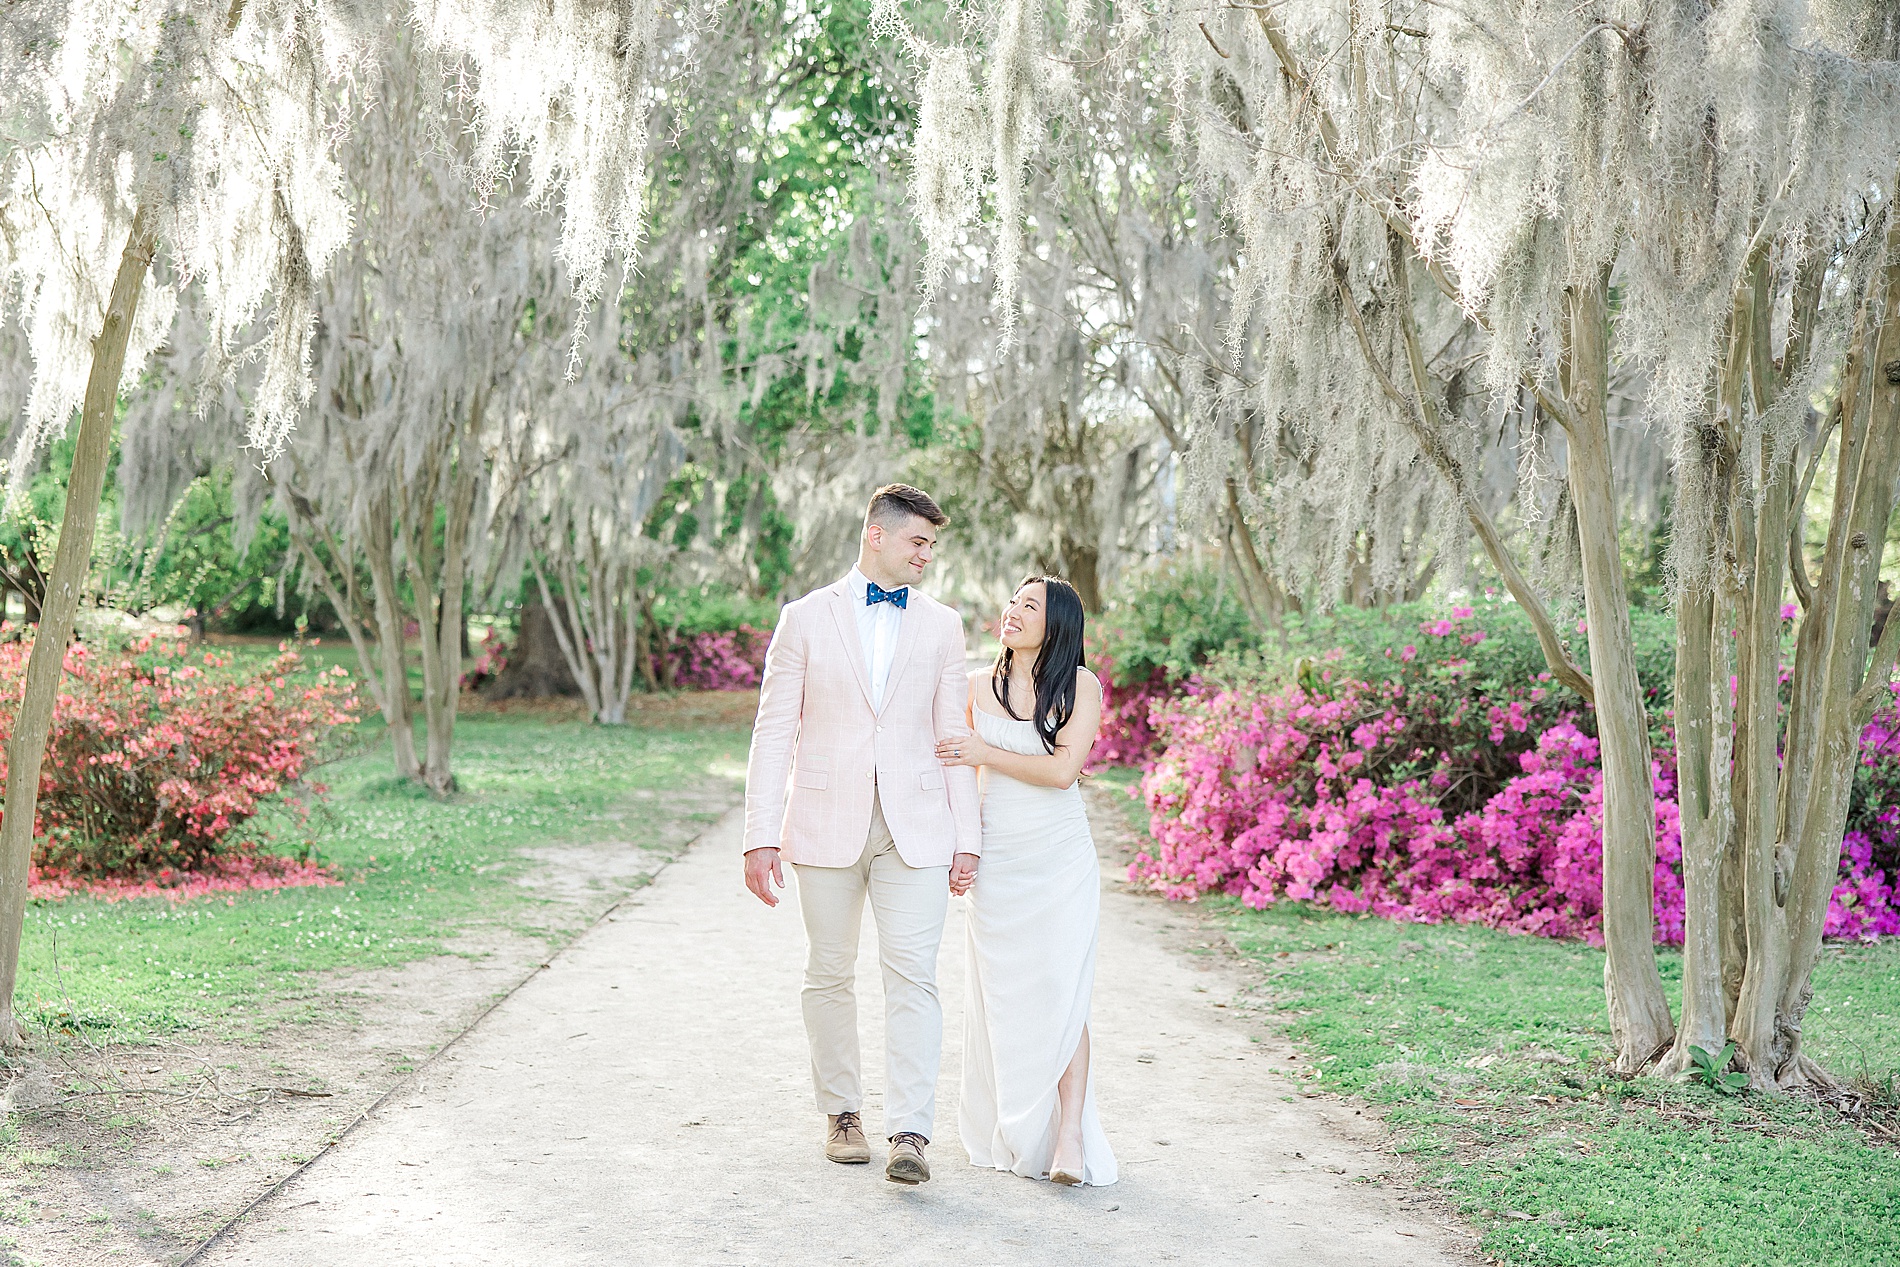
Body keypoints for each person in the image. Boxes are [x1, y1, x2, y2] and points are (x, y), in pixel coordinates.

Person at [742, 483, 982, 1186]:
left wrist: (966, 835)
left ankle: (911, 1129)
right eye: (918, 542)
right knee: (829, 970)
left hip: (917, 826)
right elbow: (773, 730)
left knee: (914, 975)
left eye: (933, 546)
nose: (927, 556)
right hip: (823, 822)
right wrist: (759, 834)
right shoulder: (804, 618)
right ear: (876, 534)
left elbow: (952, 737)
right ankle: (841, 1112)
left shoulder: (943, 625)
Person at [936, 576, 1118, 1187]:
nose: (1011, 611)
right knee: (1004, 994)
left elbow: (1064, 770)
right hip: (999, 861)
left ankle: (1069, 1135)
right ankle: (1016, 1123)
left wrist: (984, 753)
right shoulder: (973, 687)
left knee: (1062, 990)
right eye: (1012, 600)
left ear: (1056, 623)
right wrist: (964, 849)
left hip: (1060, 859)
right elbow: (956, 779)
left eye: (1029, 606)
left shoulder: (1080, 686)